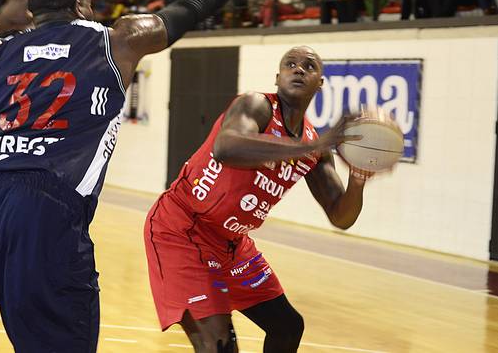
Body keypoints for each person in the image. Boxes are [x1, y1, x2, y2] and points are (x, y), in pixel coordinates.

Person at [0, 0, 277, 352]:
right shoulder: (117, 39)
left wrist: (1, 18)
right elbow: (190, 6)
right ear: (82, 6)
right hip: (47, 201)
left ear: (33, 12)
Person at [144, 46, 375, 352]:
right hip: (182, 229)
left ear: (320, 82)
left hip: (232, 244)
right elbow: (227, 148)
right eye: (290, 64)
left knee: (288, 327)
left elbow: (340, 216)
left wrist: (357, 179)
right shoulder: (256, 106)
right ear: (278, 77)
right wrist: (311, 147)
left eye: (309, 66)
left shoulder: (313, 146)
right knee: (220, 346)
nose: (299, 69)